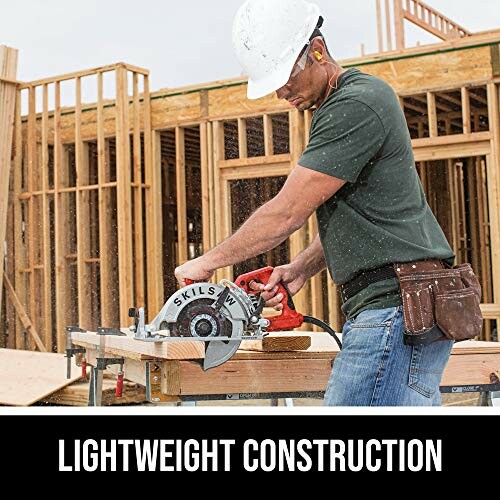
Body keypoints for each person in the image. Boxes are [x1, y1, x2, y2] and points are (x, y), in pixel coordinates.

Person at [175, 0, 456, 406]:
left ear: (318, 51)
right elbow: (371, 218)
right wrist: (300, 268)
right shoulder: (338, 106)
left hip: (395, 309)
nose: (280, 90)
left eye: (286, 75)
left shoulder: (354, 104)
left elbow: (285, 213)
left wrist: (206, 262)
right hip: (400, 305)